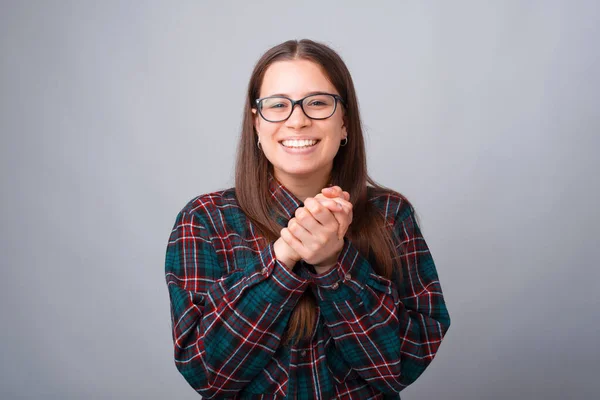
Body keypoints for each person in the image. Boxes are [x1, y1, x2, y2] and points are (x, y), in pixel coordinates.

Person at [164, 39, 451, 399]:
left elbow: (404, 363)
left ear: (344, 122)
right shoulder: (204, 220)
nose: (297, 120)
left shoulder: (391, 215)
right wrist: (283, 256)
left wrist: (334, 263)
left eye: (317, 103)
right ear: (256, 124)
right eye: (278, 105)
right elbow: (207, 374)